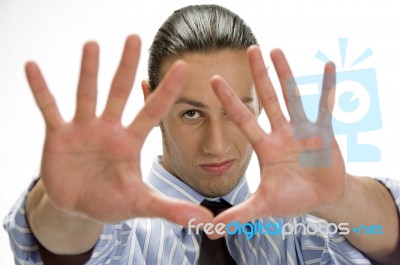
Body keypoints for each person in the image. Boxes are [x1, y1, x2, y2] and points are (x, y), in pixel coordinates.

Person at [4, 4, 400, 265]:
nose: (217, 145)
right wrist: (71, 207)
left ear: (260, 102)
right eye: (191, 113)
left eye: (236, 111)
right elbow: (60, 241)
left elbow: (385, 241)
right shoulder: (119, 231)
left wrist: (343, 197)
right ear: (151, 101)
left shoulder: (297, 233)